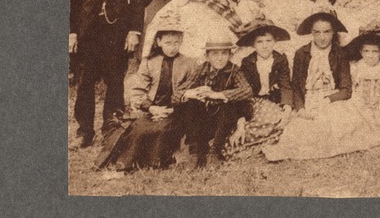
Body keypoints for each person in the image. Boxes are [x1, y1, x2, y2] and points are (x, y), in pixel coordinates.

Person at [264, 31, 380, 161]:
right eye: (366, 51)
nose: (370, 56)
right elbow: (351, 84)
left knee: (378, 115)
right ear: (361, 52)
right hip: (355, 96)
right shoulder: (356, 67)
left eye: (374, 52)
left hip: (376, 97)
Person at [69, 0, 145, 147]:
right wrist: (72, 32)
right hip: (88, 30)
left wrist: (134, 31)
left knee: (115, 80)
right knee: (86, 81)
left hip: (117, 31)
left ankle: (111, 129)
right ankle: (84, 132)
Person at [99, 9, 199, 172]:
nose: (173, 47)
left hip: (177, 111)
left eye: (176, 42)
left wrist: (171, 109)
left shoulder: (189, 63)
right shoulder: (149, 62)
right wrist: (151, 108)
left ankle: (155, 162)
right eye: (168, 42)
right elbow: (137, 92)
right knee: (138, 129)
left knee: (161, 129)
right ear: (158, 41)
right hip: (151, 110)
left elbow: (190, 90)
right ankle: (129, 163)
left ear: (181, 41)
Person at [181, 39, 254, 167]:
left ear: (230, 55)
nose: (220, 58)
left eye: (224, 53)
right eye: (215, 54)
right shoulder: (201, 70)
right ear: (207, 56)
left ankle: (214, 152)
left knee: (228, 105)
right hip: (203, 119)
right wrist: (190, 93)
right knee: (190, 105)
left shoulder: (234, 70)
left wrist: (219, 95)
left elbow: (247, 91)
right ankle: (194, 152)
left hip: (223, 120)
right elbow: (177, 93)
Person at [231, 21, 293, 151]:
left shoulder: (280, 60)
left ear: (274, 41)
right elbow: (244, 90)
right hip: (253, 101)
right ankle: (254, 139)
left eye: (268, 41)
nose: (264, 46)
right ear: (253, 44)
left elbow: (285, 85)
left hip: (273, 100)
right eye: (259, 42)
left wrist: (287, 109)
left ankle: (262, 140)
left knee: (283, 119)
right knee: (254, 121)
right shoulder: (247, 62)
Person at [286, 11, 352, 110]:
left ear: (333, 31)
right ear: (312, 32)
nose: (322, 37)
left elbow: (346, 89)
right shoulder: (301, 53)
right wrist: (300, 109)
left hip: (333, 101)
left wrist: (328, 100)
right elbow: (296, 87)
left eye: (327, 32)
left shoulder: (340, 53)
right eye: (317, 32)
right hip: (308, 101)